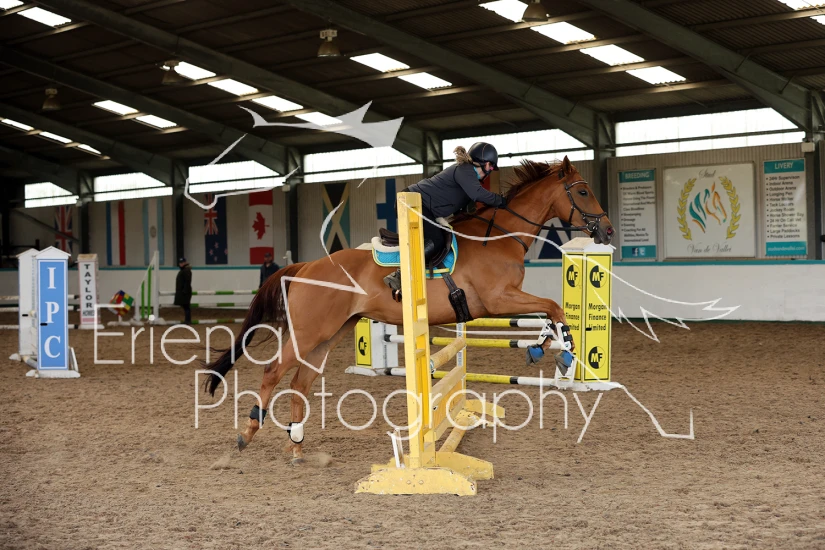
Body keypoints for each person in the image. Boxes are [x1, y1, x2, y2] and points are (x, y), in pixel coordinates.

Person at [383, 142, 506, 291]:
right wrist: (501, 201)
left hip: (419, 205)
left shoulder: (469, 178)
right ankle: (400, 275)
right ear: (483, 162)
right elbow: (478, 194)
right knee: (436, 240)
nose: (491, 171)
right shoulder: (465, 170)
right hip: (410, 202)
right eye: (491, 166)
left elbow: (463, 213)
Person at [174, 257, 192, 324]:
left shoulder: (185, 271)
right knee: (186, 307)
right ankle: (187, 320)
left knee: (186, 307)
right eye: (180, 263)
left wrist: (184, 291)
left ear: (185, 262)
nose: (181, 264)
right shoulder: (185, 270)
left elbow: (187, 281)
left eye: (182, 262)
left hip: (185, 292)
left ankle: (188, 320)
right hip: (184, 291)